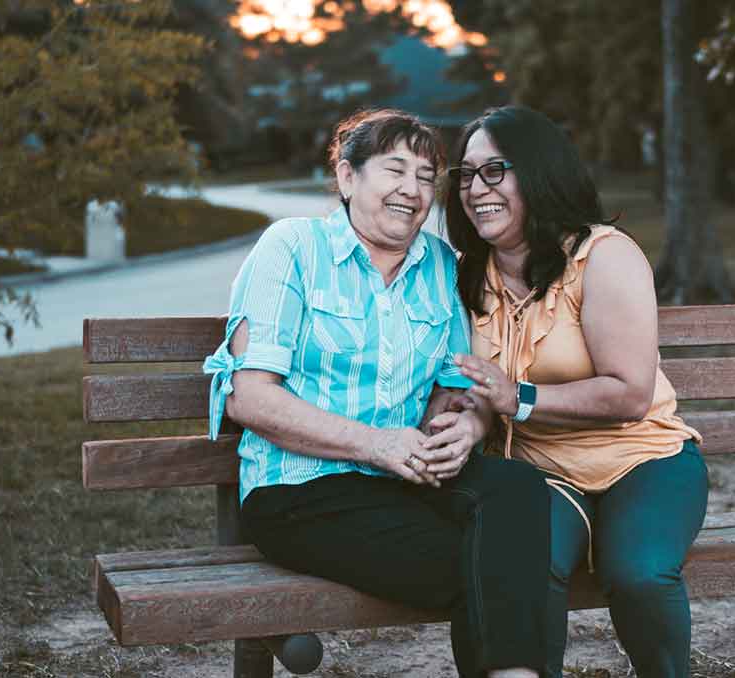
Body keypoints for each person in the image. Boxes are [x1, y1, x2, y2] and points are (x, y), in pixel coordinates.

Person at [203, 109, 548, 678]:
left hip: (404, 478)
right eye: (394, 170)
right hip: (299, 491)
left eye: (424, 175)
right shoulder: (292, 248)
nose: (411, 191)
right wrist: (375, 444)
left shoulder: (440, 265)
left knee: (518, 490)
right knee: (485, 565)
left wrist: (466, 424)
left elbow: (455, 385)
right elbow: (250, 398)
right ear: (346, 177)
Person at [444, 106, 709, 678]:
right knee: (518, 569)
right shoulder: (466, 274)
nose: (475, 189)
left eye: (495, 171)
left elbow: (630, 393)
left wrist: (521, 398)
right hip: (538, 472)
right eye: (466, 174)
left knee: (638, 572)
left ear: (538, 172)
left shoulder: (603, 255)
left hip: (644, 461)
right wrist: (467, 419)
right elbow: (474, 388)